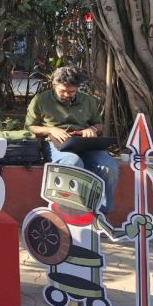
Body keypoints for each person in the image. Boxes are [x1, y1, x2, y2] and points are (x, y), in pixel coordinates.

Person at [25, 66, 119, 213]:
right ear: (54, 85)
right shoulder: (40, 100)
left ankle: (102, 212)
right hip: (55, 143)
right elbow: (29, 127)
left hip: (83, 142)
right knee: (73, 163)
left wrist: (92, 129)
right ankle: (75, 211)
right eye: (63, 91)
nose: (67, 95)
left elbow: (99, 124)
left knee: (108, 166)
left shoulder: (87, 100)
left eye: (72, 92)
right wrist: (50, 129)